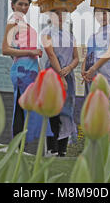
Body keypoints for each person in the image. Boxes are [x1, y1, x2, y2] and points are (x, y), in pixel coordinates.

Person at [2, 0, 52, 144]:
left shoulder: (23, 23)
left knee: (29, 106)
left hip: (32, 69)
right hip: (22, 69)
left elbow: (32, 52)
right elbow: (5, 49)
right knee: (21, 106)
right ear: (12, 5)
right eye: (20, 4)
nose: (24, 8)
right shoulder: (13, 22)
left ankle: (24, 145)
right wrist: (29, 52)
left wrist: (40, 73)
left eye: (26, 5)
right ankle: (17, 147)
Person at [40, 9, 79, 157]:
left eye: (63, 14)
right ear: (50, 16)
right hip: (52, 75)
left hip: (68, 76)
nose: (61, 17)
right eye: (56, 14)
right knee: (53, 110)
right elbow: (50, 54)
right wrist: (61, 75)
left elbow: (76, 57)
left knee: (67, 111)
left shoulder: (71, 36)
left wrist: (69, 68)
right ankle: (52, 148)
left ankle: (63, 149)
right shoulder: (46, 33)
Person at [82, 7, 110, 97]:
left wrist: (93, 68)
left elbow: (109, 53)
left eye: (104, 13)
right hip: (89, 75)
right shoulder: (92, 36)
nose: (101, 17)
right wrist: (83, 71)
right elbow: (87, 55)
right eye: (98, 14)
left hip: (103, 72)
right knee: (89, 107)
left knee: (102, 106)